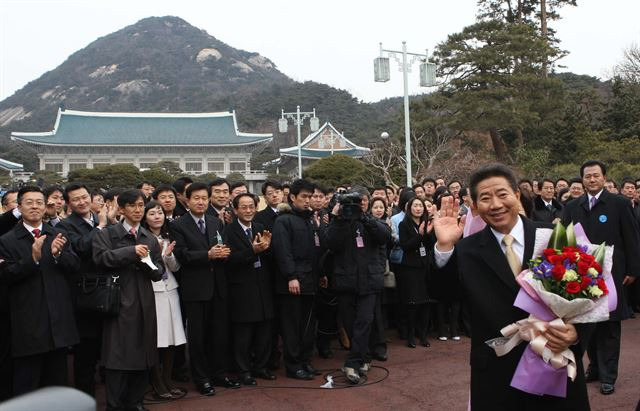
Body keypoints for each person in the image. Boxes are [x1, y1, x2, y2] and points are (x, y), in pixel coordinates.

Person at [432, 164, 589, 410]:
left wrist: (576, 333)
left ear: (516, 195)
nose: (495, 205)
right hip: (497, 372)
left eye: (502, 194)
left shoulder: (553, 237)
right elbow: (443, 294)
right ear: (474, 205)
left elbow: (588, 297)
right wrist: (444, 247)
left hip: (555, 360)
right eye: (485, 198)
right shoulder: (466, 250)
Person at [562, 160, 640, 396]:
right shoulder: (573, 206)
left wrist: (633, 269)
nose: (592, 180)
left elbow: (631, 237)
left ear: (604, 178)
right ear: (582, 179)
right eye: (587, 176)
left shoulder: (619, 203)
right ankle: (594, 368)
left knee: (608, 327)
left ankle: (608, 376)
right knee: (587, 325)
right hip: (581, 276)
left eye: (596, 176)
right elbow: (565, 239)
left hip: (612, 275)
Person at [0, 186, 80, 396]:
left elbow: (74, 267)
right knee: (28, 384)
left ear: (46, 207)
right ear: (19, 207)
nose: (34, 206)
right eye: (29, 202)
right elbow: (6, 275)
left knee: (57, 383)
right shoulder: (7, 240)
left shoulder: (58, 234)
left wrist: (57, 255)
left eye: (39, 202)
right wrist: (32, 259)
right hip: (28, 323)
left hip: (58, 322)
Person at [93, 189, 165, 411]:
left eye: (141, 205)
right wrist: (130, 251)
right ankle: (114, 405)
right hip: (118, 301)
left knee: (144, 355)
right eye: (133, 205)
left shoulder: (149, 238)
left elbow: (159, 270)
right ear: (121, 209)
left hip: (144, 301)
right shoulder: (106, 234)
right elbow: (101, 258)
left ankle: (136, 402)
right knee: (117, 358)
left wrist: (149, 265)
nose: (138, 210)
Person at [170, 182, 239, 395]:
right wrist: (207, 255)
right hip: (195, 288)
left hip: (218, 286)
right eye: (196, 198)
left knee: (219, 334)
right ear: (187, 201)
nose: (201, 202)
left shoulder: (215, 222)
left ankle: (219, 373)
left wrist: (224, 252)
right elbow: (181, 254)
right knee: (198, 336)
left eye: (204, 198)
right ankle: (201, 377)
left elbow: (224, 245)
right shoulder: (178, 225)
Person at [325, 189, 391, 383]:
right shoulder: (339, 223)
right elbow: (331, 244)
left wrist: (365, 218)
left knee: (364, 321)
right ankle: (364, 357)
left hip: (369, 282)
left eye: (361, 202)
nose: (356, 206)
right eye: (353, 203)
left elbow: (384, 237)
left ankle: (352, 363)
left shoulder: (372, 221)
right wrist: (339, 219)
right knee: (350, 323)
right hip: (345, 282)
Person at [57, 183, 110, 397]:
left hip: (107, 291)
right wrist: (100, 228)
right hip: (85, 294)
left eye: (84, 197)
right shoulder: (65, 226)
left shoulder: (100, 219)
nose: (82, 202)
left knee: (105, 345)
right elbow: (80, 248)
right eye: (76, 199)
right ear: (69, 204)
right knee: (86, 350)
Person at [271, 179, 324, 380]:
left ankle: (305, 361)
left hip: (311, 280)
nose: (308, 200)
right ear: (292, 197)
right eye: (304, 197)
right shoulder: (283, 221)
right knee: (292, 326)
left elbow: (317, 250)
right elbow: (283, 252)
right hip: (292, 283)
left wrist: (321, 274)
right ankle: (293, 366)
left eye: (310, 197)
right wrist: (291, 277)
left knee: (308, 325)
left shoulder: (310, 220)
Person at [224, 193, 276, 385]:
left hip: (263, 288)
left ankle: (261, 367)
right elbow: (228, 260)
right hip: (241, 290)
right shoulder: (228, 231)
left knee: (264, 331)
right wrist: (252, 251)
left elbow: (269, 257)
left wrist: (267, 248)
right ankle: (243, 370)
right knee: (243, 335)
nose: (248, 211)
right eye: (243, 207)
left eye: (251, 207)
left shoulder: (261, 228)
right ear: (236, 210)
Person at [141, 201, 187, 400]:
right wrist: (157, 254)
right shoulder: (141, 238)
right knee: (156, 340)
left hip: (171, 290)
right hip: (153, 291)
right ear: (145, 217)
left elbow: (175, 268)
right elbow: (145, 267)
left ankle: (167, 381)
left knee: (172, 339)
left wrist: (167, 257)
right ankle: (157, 383)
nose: (157, 216)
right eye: (152, 213)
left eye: (159, 213)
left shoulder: (169, 237)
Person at [398, 197, 433, 348]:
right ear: (409, 208)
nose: (418, 208)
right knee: (413, 303)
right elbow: (405, 246)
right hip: (410, 268)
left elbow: (430, 245)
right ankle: (411, 336)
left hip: (425, 266)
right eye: (415, 206)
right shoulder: (404, 224)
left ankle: (423, 336)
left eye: (420, 206)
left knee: (425, 303)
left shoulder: (427, 224)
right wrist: (419, 235)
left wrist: (429, 233)